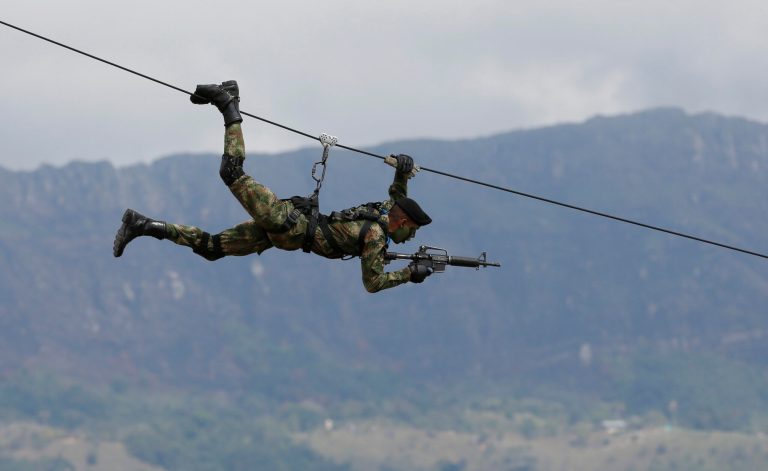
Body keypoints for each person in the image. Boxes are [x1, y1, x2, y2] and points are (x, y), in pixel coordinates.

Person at [113, 80, 433, 292]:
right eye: (412, 231)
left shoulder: (384, 215)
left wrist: (402, 174)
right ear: (402, 222)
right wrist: (409, 274)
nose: (410, 237)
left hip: (279, 234)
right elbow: (373, 283)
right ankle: (228, 105)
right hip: (284, 222)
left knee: (211, 249)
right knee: (232, 172)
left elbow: (398, 199)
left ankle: (142, 225)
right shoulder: (376, 234)